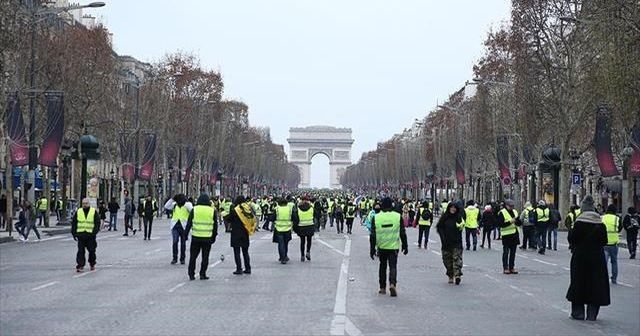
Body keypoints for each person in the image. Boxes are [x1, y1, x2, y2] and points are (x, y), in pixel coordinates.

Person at [566, 195, 610, 321]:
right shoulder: (600, 224)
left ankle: (578, 312)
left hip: (580, 257)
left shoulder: (579, 223)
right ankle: (592, 313)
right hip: (597, 258)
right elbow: (604, 241)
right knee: (596, 284)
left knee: (578, 283)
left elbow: (572, 239)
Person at [370, 197, 408, 297]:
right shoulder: (397, 216)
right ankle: (392, 284)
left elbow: (372, 235)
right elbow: (402, 232)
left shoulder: (377, 217)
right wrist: (405, 245)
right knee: (393, 266)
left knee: (382, 266)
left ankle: (382, 288)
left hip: (381, 246)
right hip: (393, 246)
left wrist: (372, 249)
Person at [185, 194, 218, 280]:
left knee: (193, 256)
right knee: (205, 257)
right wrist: (214, 236)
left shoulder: (194, 209)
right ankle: (203, 273)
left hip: (196, 237)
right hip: (207, 237)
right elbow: (215, 226)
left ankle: (191, 274)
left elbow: (189, 223)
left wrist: (185, 235)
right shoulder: (212, 211)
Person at [437, 202, 465, 284]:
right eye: (451, 207)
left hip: (457, 242)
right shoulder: (444, 218)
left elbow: (462, 225)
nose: (453, 209)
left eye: (454, 208)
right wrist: (443, 238)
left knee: (457, 259)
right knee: (447, 261)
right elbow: (439, 228)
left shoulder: (459, 217)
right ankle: (450, 275)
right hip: (446, 242)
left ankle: (457, 275)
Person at [71, 198, 100, 272]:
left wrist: (94, 232)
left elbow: (97, 223)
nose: (84, 205)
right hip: (81, 235)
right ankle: (80, 265)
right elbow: (74, 223)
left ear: (89, 204)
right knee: (80, 251)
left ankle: (92, 263)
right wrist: (74, 233)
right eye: (83, 203)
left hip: (90, 235)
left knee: (92, 251)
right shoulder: (79, 211)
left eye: (86, 203)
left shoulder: (93, 212)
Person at [229, 196, 256, 274]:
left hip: (236, 233)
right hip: (245, 233)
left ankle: (239, 268)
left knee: (237, 252)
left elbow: (229, 219)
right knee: (245, 252)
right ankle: (248, 268)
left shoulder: (235, 210)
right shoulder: (247, 209)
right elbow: (252, 219)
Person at [164, 194, 192, 265]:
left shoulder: (187, 205)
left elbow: (192, 209)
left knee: (183, 243)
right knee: (175, 242)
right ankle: (175, 258)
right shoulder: (174, 205)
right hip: (175, 226)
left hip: (184, 226)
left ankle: (182, 259)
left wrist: (186, 203)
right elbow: (166, 206)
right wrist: (172, 199)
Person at [497, 199, 521, 274]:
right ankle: (505, 268)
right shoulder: (502, 213)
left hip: (514, 234)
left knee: (513, 253)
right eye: (510, 206)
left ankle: (512, 267)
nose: (511, 207)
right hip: (506, 235)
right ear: (506, 205)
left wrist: (517, 221)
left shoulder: (515, 212)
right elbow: (500, 224)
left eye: (512, 206)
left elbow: (519, 222)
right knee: (506, 252)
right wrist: (510, 221)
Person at [602, 204, 622, 284]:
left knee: (604, 263)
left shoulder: (602, 217)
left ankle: (604, 278)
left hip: (604, 244)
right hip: (614, 243)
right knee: (614, 262)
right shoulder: (617, 218)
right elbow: (620, 228)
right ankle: (614, 279)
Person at [273, 197, 296, 264]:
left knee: (281, 243)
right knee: (286, 243)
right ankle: (285, 255)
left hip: (278, 228)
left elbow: (272, 218)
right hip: (288, 228)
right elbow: (294, 218)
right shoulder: (289, 209)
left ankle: (282, 257)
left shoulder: (276, 209)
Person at [294, 196, 315, 262]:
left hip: (301, 226)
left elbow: (296, 219)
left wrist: (295, 228)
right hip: (310, 225)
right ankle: (308, 252)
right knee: (309, 240)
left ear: (301, 200)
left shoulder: (298, 208)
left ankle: (302, 255)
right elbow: (314, 216)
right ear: (308, 200)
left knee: (302, 242)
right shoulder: (311, 208)